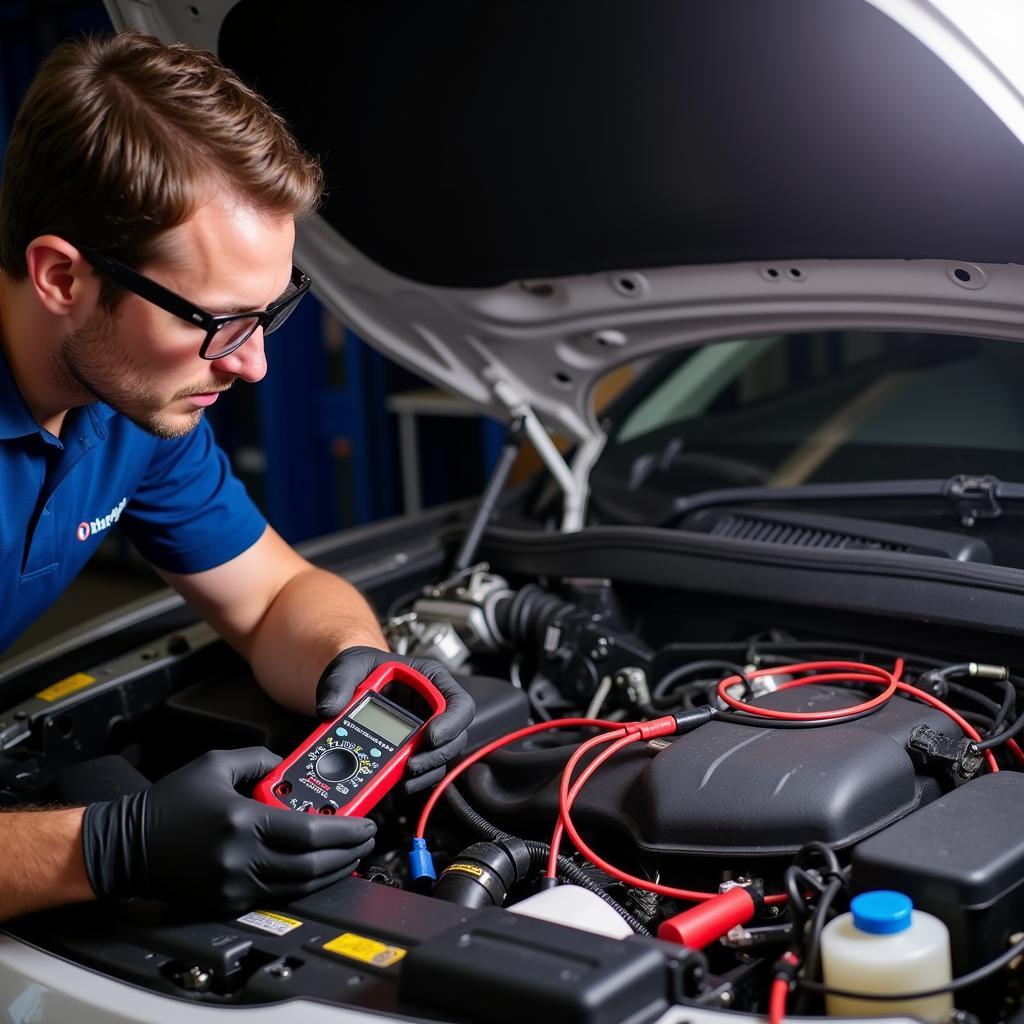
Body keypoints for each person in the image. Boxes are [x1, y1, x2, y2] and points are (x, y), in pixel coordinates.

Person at [0, 31, 474, 920]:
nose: (252, 365)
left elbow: (273, 597)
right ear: (61, 275)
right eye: (217, 321)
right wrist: (107, 847)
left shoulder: (135, 408)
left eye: (270, 313)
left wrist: (358, 665)